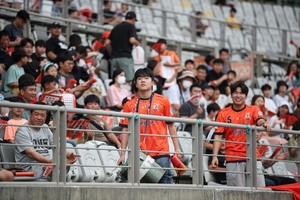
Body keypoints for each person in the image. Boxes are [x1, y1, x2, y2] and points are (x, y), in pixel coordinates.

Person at [118, 68, 182, 184]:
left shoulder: (164, 101)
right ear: (135, 84)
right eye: (139, 78)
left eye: (146, 78)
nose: (143, 81)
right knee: (139, 189)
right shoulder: (129, 105)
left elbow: (171, 126)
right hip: (139, 154)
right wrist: (122, 154)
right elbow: (125, 130)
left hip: (161, 153)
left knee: (165, 189)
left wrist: (177, 148)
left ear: (153, 82)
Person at [211, 82, 271, 187]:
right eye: (235, 93)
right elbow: (218, 135)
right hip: (233, 158)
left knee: (260, 191)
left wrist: (264, 123)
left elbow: (259, 120)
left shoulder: (253, 109)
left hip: (252, 156)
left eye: (242, 93)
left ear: (246, 96)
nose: (238, 96)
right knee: (237, 194)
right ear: (231, 95)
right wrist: (215, 156)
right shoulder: (223, 113)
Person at [14, 102, 80, 180]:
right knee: (52, 168)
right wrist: (49, 162)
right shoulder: (23, 130)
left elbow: (56, 146)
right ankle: (61, 166)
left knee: (58, 165)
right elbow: (31, 153)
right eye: (36, 114)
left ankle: (61, 166)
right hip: (28, 167)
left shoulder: (45, 127)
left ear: (46, 117)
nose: (39, 117)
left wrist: (68, 154)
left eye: (42, 115)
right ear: (30, 114)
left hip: (46, 165)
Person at [106, 11, 140, 83]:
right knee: (127, 80)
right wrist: (138, 44)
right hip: (125, 57)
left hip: (114, 58)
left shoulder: (116, 28)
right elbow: (132, 40)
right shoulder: (131, 26)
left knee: (115, 82)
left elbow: (107, 43)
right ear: (134, 19)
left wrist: (111, 53)